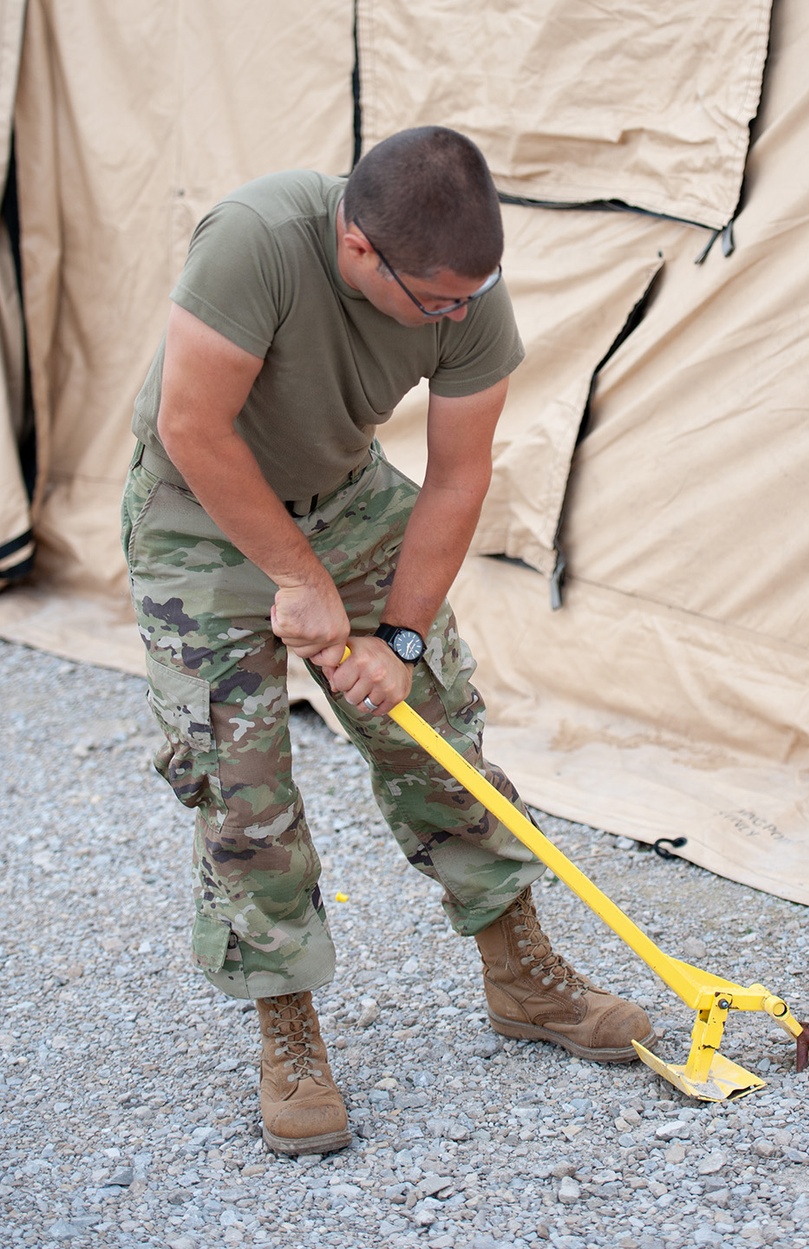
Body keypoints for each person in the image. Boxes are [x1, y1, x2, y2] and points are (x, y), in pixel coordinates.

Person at [121, 126, 652, 1156]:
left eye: (469, 297)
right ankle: (288, 1027)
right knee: (241, 783)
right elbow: (191, 426)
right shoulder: (255, 241)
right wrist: (297, 578)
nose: (458, 315)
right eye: (438, 301)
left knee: (436, 726)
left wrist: (399, 644)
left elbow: (458, 478)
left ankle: (521, 973)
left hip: (342, 495)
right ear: (360, 248)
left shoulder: (464, 289)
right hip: (198, 510)